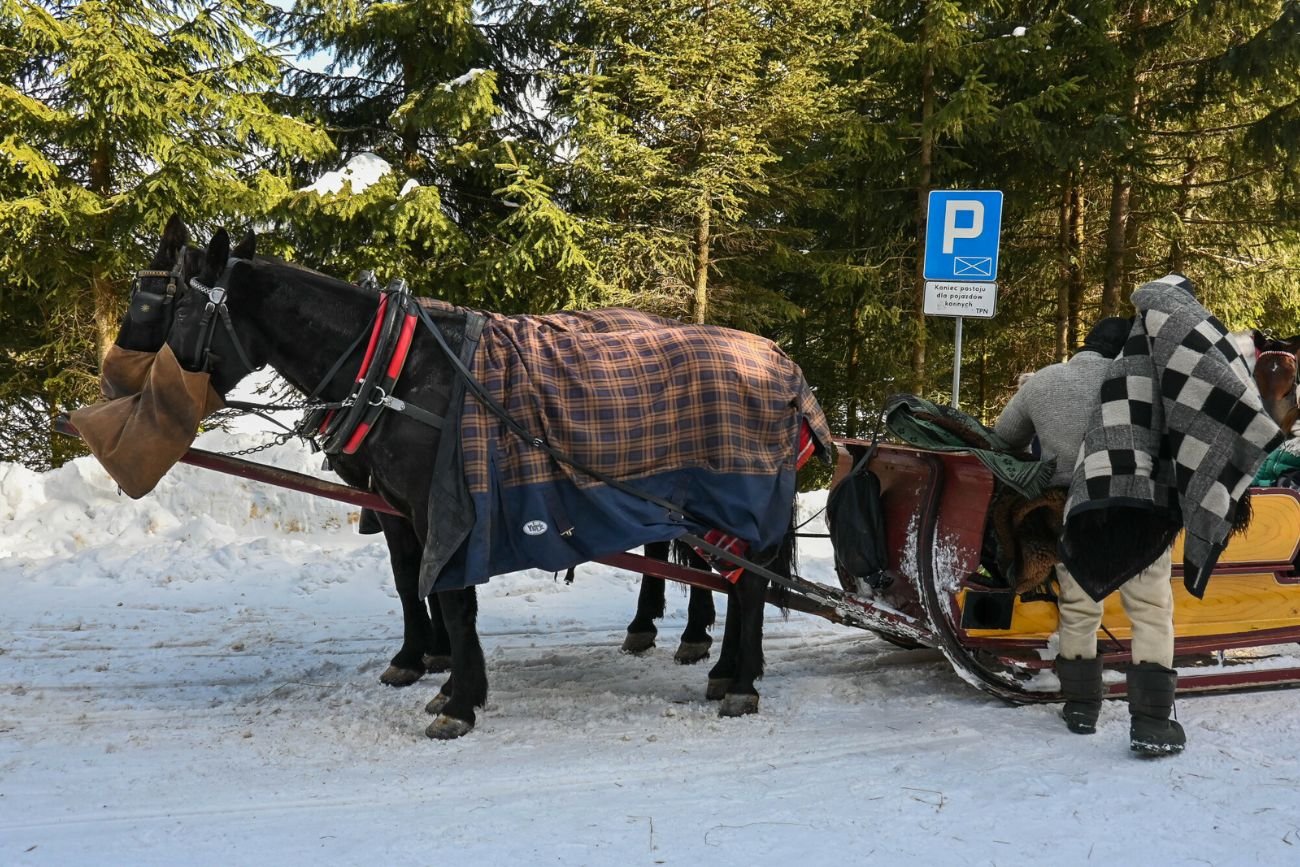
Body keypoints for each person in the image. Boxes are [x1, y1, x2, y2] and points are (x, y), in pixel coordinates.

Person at [994, 316, 1185, 757]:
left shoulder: (1044, 383)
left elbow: (1005, 439)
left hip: (1074, 513)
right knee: (1152, 611)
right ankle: (1152, 723)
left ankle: (1081, 709)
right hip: (1140, 514)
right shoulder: (1144, 382)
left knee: (1079, 608)